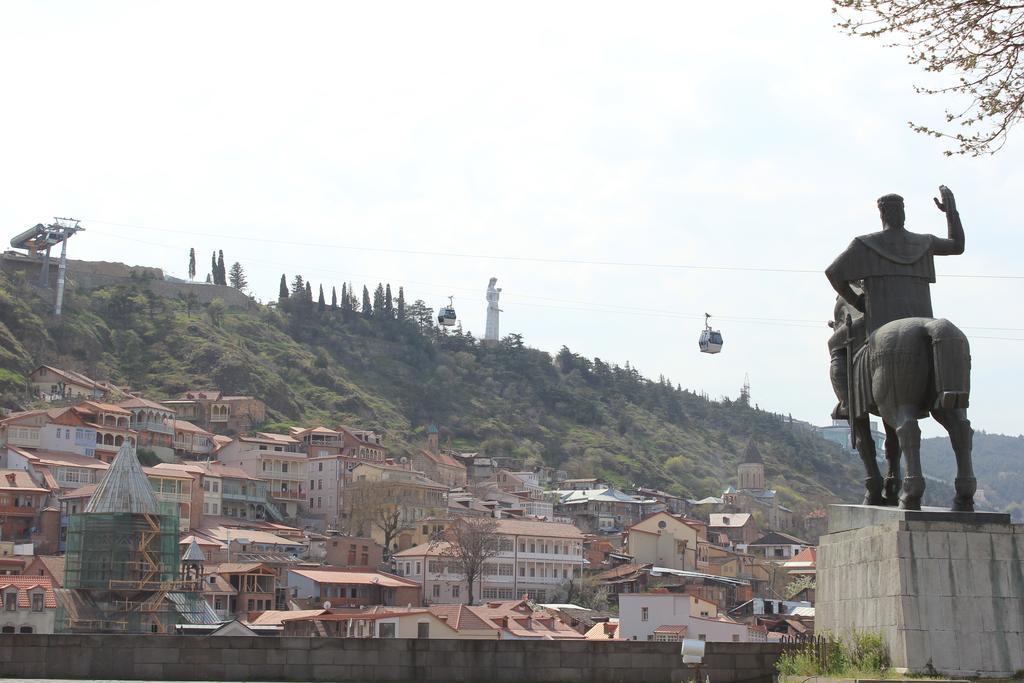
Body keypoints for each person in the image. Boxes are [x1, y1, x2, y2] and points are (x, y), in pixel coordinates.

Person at [826, 186, 964, 335]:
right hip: (924, 324)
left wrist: (858, 302)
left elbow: (833, 273)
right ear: (903, 212)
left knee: (837, 345)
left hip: (879, 329)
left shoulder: (864, 244)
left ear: (882, 213)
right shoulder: (925, 242)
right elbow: (957, 245)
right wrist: (951, 212)